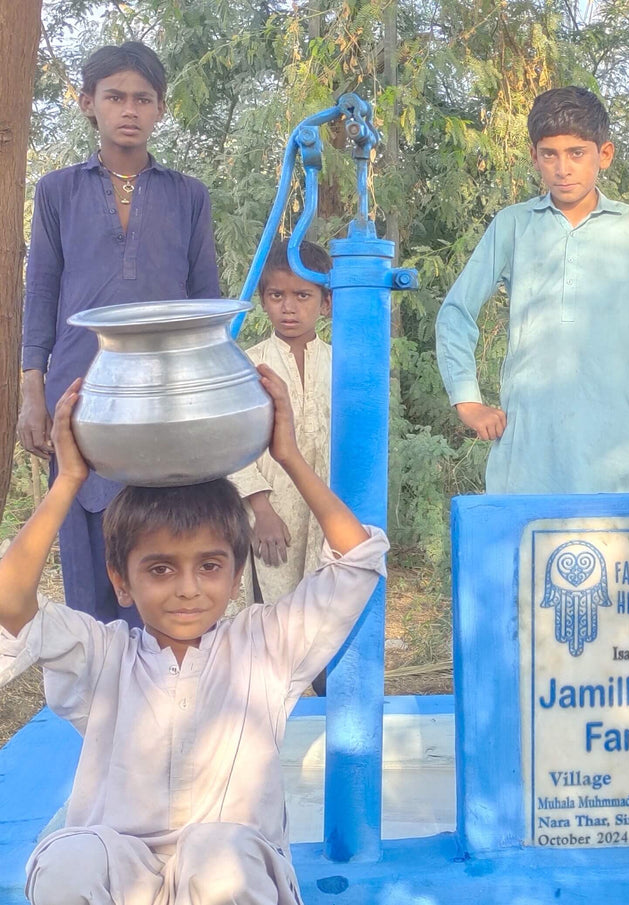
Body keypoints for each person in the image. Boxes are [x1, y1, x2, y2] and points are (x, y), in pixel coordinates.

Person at [0, 366, 387, 905]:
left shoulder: (264, 645)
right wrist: (68, 481)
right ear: (121, 581)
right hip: (123, 878)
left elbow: (358, 560)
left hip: (229, 880)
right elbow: (8, 603)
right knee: (68, 857)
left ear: (234, 577)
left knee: (215, 852)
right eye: (160, 569)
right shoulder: (101, 655)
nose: (187, 589)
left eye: (209, 566)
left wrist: (289, 457)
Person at [17, 41, 220, 626]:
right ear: (88, 104)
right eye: (115, 97)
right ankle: (102, 709)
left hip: (165, 405)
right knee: (90, 575)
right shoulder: (58, 191)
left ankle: (168, 697)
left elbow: (205, 303)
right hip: (80, 400)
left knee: (165, 550)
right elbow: (43, 295)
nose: (128, 109)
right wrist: (34, 393)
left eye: (142, 98)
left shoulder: (188, 196)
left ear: (159, 109)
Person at [434, 86, 629, 495]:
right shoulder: (513, 226)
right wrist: (468, 400)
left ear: (605, 154)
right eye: (550, 154)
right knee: (523, 555)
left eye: (577, 153)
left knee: (614, 557)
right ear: (535, 157)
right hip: (525, 455)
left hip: (614, 457)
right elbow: (456, 312)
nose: (563, 168)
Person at [231, 239, 332, 609]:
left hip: (324, 514)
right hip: (271, 517)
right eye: (277, 295)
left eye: (303, 296)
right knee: (269, 617)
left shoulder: (342, 366)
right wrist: (262, 510)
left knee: (320, 614)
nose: (289, 307)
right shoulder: (248, 365)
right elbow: (233, 445)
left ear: (326, 303)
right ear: (263, 300)